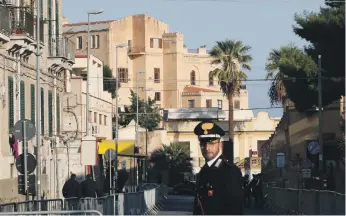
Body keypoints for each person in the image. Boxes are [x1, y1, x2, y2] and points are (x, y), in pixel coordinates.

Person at [192, 120, 244, 215]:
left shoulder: (230, 172)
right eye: (203, 143)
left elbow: (235, 210)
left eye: (211, 143)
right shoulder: (204, 171)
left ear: (219, 145)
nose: (207, 148)